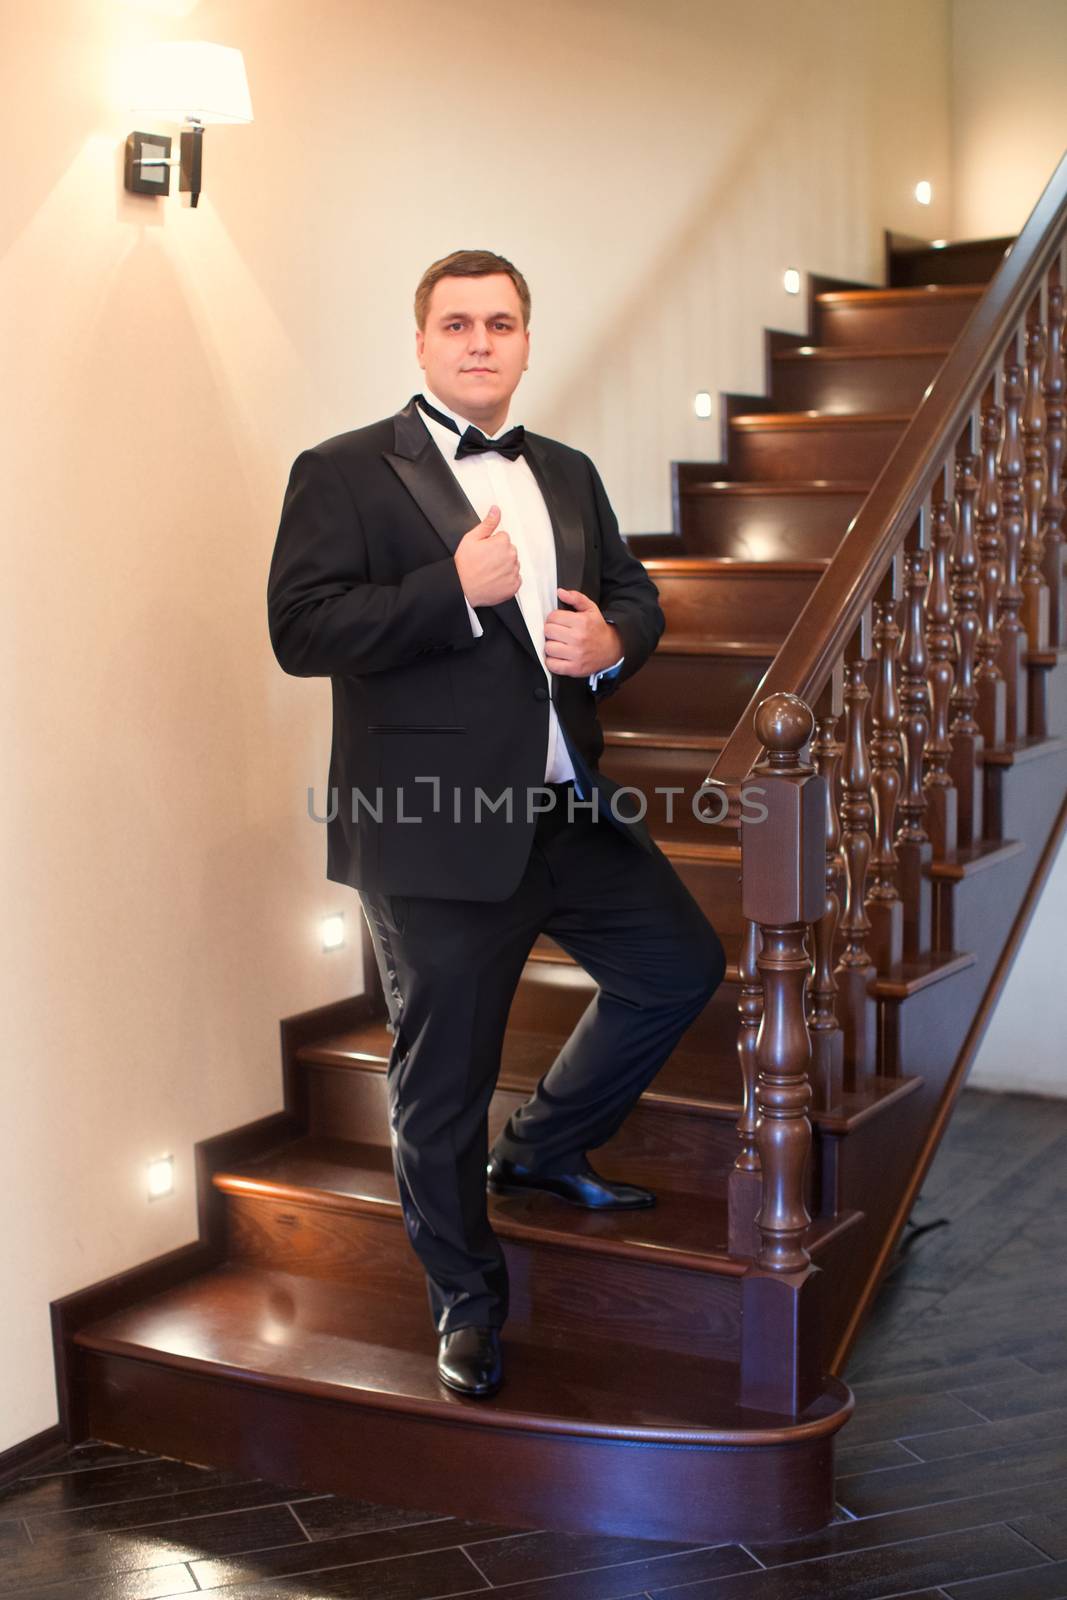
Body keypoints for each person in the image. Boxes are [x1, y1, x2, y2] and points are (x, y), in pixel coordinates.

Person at [267, 249, 725, 1400]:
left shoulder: (564, 469)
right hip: (431, 828)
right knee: (441, 1086)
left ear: (526, 342)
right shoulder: (341, 471)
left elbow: (631, 589)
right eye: (457, 323)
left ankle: (544, 1144)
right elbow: (301, 630)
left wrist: (616, 642)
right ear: (420, 342)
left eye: (501, 323)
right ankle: (464, 1304)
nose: (480, 341)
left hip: (569, 811)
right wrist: (446, 592)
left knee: (677, 966)